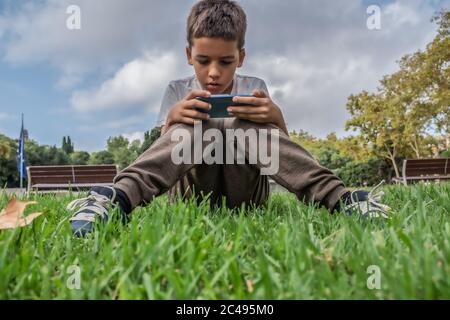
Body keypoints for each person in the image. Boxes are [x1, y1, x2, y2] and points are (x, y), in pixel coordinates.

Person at [68, 0, 391, 237]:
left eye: (225, 61)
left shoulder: (255, 87)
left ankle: (343, 199)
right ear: (188, 56)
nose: (213, 73)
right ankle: (114, 198)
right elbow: (162, 154)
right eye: (203, 60)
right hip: (192, 192)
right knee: (199, 122)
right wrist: (173, 119)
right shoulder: (176, 89)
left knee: (241, 124)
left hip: (246, 193)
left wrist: (276, 117)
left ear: (241, 57)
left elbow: (283, 150)